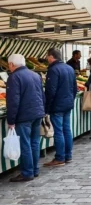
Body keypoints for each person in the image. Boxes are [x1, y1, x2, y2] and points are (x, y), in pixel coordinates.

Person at [6, 54, 45, 182]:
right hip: (37, 113)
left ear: (11, 64)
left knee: (25, 144)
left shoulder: (14, 77)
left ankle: (27, 172)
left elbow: (13, 100)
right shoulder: (35, 75)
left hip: (24, 115)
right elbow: (42, 95)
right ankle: (35, 170)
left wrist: (11, 120)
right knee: (34, 142)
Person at [43, 48, 78, 167]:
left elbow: (50, 91)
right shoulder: (69, 68)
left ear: (51, 56)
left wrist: (47, 107)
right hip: (67, 104)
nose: (47, 59)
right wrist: (71, 100)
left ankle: (60, 157)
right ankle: (68, 156)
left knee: (58, 132)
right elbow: (75, 88)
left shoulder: (53, 70)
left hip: (57, 105)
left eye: (47, 56)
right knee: (67, 130)